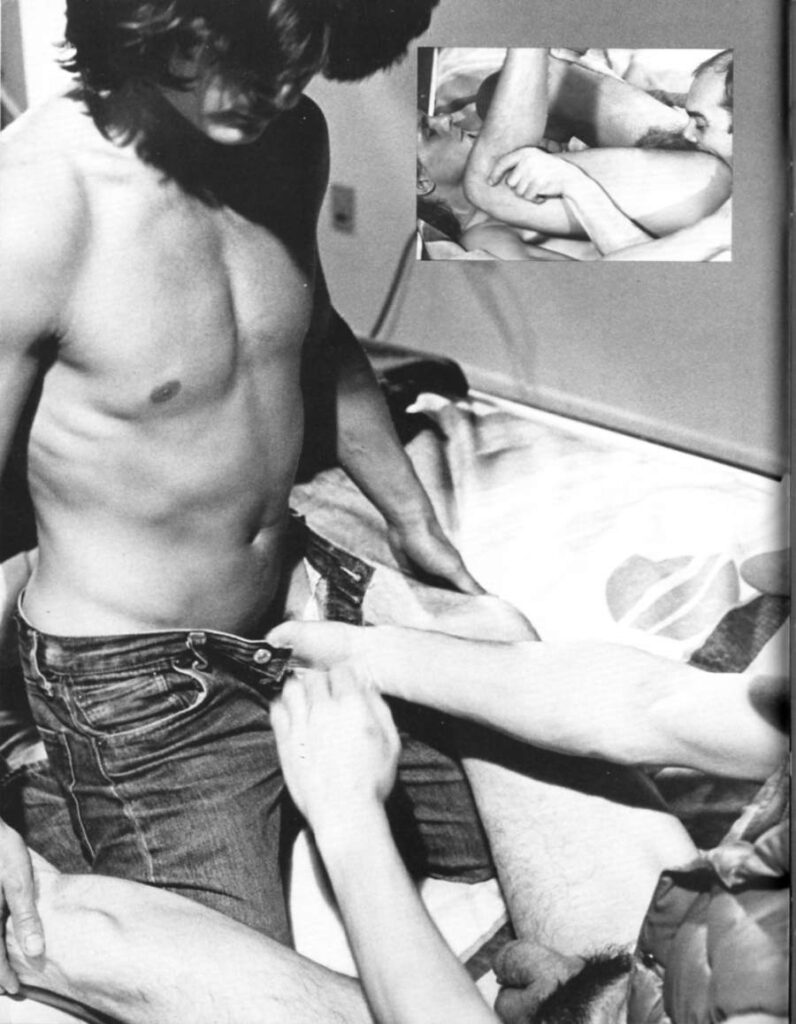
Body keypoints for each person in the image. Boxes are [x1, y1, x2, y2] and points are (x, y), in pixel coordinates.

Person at [0, 0, 501, 985]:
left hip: (303, 607)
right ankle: (46, 770)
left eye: (294, 60)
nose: (260, 94)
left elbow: (311, 333)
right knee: (248, 990)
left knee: (523, 828)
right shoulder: (32, 207)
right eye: (217, 56)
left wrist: (412, 521)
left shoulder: (292, 133)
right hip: (139, 680)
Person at [2, 624, 787, 1024]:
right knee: (486, 651)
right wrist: (363, 651)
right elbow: (659, 707)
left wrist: (346, 814)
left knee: (86, 931)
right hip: (676, 969)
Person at [418, 49, 731, 259]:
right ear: (421, 182)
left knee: (497, 89)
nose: (445, 118)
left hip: (698, 163)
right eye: (429, 131)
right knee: (492, 180)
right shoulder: (485, 238)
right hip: (706, 190)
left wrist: (571, 152)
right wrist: (577, 183)